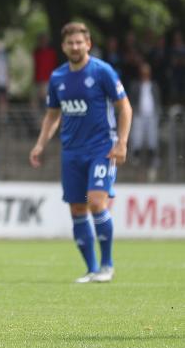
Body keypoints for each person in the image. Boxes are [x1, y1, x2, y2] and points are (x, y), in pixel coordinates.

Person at [29, 22, 131, 283]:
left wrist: (122, 142)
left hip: (101, 148)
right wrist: (40, 144)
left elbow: (125, 107)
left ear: (88, 44)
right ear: (63, 46)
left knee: (97, 202)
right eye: (70, 43)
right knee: (77, 209)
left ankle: (107, 266)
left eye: (79, 42)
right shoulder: (58, 78)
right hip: (71, 152)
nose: (75, 46)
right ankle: (91, 269)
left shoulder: (102, 71)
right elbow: (52, 116)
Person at [128, 62, 161, 180]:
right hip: (139, 114)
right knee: (137, 136)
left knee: (152, 137)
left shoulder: (154, 85)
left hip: (151, 115)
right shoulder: (136, 85)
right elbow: (132, 98)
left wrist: (158, 111)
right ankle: (135, 156)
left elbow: (157, 99)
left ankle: (153, 157)